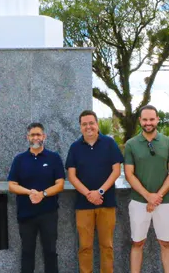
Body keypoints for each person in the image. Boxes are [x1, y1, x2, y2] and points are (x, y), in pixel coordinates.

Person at [65, 109, 123, 273]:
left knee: (107, 246)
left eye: (91, 123)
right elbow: (72, 176)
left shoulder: (109, 143)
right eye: (84, 124)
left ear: (97, 124)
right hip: (83, 205)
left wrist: (100, 192)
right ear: (80, 127)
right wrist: (89, 194)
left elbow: (116, 171)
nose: (88, 127)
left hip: (107, 202)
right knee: (85, 246)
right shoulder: (75, 147)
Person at [124, 105, 169, 273]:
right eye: (145, 119)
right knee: (137, 243)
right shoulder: (131, 144)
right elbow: (129, 174)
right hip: (139, 201)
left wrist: (157, 196)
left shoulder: (168, 142)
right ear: (140, 120)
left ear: (157, 119)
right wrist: (148, 196)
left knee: (166, 243)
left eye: (152, 119)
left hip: (164, 201)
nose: (148, 123)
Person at [7, 123, 65, 273]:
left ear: (44, 137)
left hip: (48, 213)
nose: (36, 137)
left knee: (50, 252)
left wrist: (42, 194)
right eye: (32, 135)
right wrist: (29, 192)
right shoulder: (19, 159)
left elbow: (60, 184)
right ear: (27, 138)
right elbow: (12, 185)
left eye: (38, 134)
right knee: (27, 252)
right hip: (26, 214)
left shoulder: (54, 158)